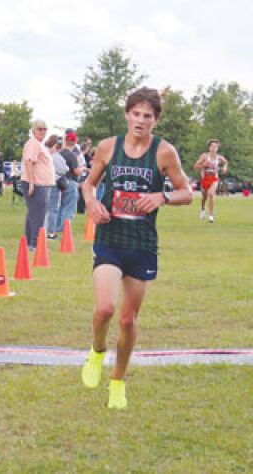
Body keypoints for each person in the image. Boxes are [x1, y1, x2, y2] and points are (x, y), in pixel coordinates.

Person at [81, 87, 193, 409]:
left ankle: (117, 382)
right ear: (127, 114)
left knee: (128, 321)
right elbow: (88, 184)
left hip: (141, 245)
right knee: (105, 309)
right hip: (109, 239)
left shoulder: (164, 152)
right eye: (136, 114)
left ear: (155, 120)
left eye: (148, 116)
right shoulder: (108, 147)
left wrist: (162, 196)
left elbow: (187, 192)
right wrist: (90, 202)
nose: (141, 120)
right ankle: (97, 351)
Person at [20, 119, 55, 251]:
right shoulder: (33, 143)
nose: (43, 132)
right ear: (34, 131)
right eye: (40, 129)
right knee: (38, 215)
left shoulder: (39, 145)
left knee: (34, 214)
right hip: (37, 184)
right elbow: (29, 162)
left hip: (41, 183)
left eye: (45, 129)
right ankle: (35, 244)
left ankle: (31, 242)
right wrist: (31, 184)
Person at [194, 139, 228, 223]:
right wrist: (203, 165)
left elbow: (225, 162)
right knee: (204, 198)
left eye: (216, 147)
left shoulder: (219, 157)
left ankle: (211, 215)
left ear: (218, 148)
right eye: (212, 146)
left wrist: (224, 168)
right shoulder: (204, 156)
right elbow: (195, 166)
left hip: (214, 179)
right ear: (209, 147)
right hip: (205, 179)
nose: (214, 148)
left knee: (211, 194)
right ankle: (203, 209)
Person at [56, 132, 83, 232]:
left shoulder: (59, 154)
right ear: (75, 142)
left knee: (60, 206)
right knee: (69, 206)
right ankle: (64, 228)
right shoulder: (72, 155)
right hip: (71, 182)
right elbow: (76, 170)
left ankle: (57, 227)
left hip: (60, 182)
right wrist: (82, 169)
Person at [46, 135, 69, 239]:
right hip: (54, 182)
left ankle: (43, 230)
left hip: (45, 182)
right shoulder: (55, 155)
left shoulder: (45, 152)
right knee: (53, 208)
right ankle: (51, 232)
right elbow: (64, 169)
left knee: (46, 208)